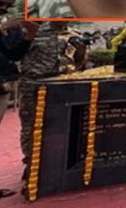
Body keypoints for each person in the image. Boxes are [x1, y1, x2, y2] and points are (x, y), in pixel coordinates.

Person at [19, 22, 86, 188]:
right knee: (31, 125)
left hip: (62, 86)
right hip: (34, 84)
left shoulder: (75, 35)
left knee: (63, 125)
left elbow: (80, 60)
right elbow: (17, 53)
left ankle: (58, 162)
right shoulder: (34, 31)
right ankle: (31, 163)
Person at [0, 0, 37, 199]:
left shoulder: (3, 23)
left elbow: (12, 54)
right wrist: (0, 29)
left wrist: (29, 37)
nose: (3, 9)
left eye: (8, 6)